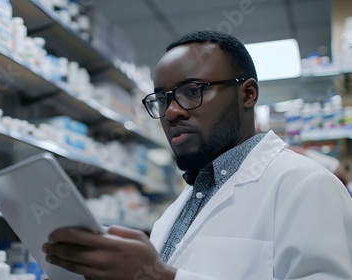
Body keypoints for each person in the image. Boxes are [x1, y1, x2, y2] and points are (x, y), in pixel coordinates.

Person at [41, 30, 352, 279]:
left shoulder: (306, 185)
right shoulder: (174, 215)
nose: (172, 111)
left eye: (192, 90)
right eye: (162, 99)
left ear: (248, 94)